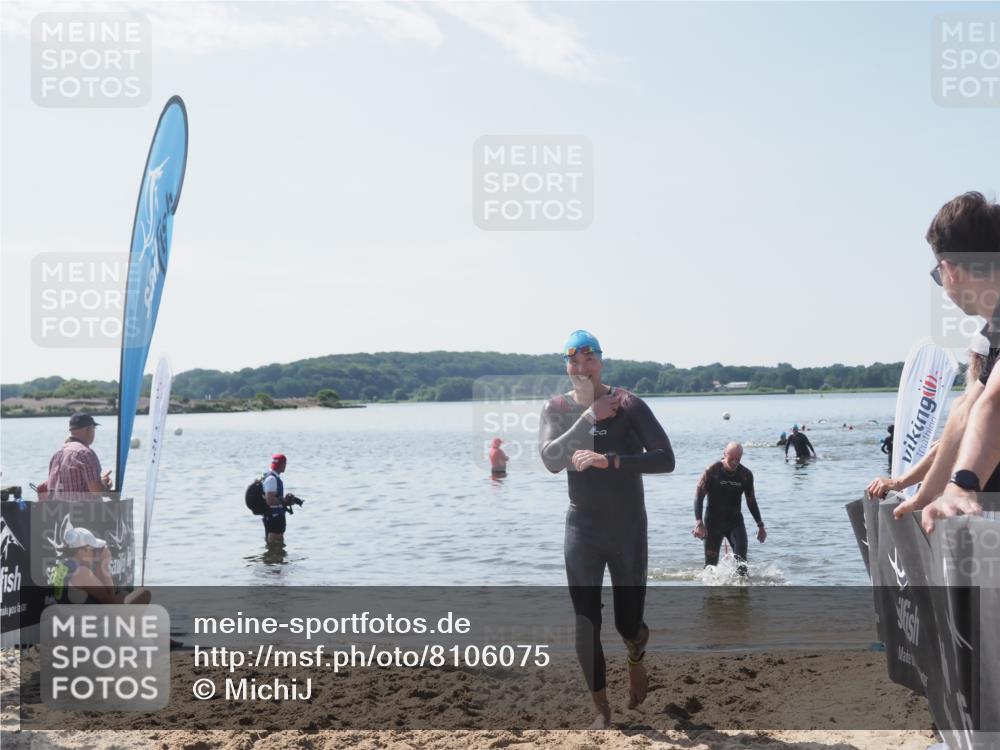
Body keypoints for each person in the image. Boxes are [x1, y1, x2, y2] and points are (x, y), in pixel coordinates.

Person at [539, 330, 675, 728]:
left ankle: (636, 652)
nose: (581, 368)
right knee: (586, 624)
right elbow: (550, 459)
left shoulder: (628, 404)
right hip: (582, 527)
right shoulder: (557, 408)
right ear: (566, 365)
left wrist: (610, 461)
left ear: (601, 361)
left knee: (626, 623)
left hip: (627, 526)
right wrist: (588, 417)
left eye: (588, 359)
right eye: (573, 361)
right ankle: (601, 710)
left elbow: (666, 459)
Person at [894, 192, 1000, 529]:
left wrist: (962, 485)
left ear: (950, 269)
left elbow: (994, 405)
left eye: (938, 276)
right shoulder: (994, 327)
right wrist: (928, 494)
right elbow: (965, 409)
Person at [692, 442, 765, 577]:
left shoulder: (745, 475)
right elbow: (698, 497)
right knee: (710, 568)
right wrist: (698, 522)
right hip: (713, 524)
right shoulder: (712, 471)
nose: (735, 462)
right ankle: (711, 596)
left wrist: (760, 525)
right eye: (732, 458)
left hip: (735, 522)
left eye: (738, 459)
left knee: (742, 567)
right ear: (724, 454)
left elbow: (751, 501)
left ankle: (740, 595)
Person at [51, 526, 150, 605]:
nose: (95, 553)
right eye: (93, 549)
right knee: (143, 595)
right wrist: (104, 565)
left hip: (67, 618)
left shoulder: (63, 566)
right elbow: (110, 601)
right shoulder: (81, 572)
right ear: (81, 552)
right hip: (82, 625)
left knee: (123, 595)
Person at [45, 413, 112, 502]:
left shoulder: (57, 454)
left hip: (59, 513)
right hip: (83, 513)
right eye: (94, 428)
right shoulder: (85, 453)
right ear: (88, 429)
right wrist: (105, 484)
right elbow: (97, 491)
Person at [261, 453, 302, 544]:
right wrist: (285, 502)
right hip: (273, 517)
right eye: (285, 464)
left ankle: (273, 556)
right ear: (282, 464)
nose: (285, 466)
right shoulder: (272, 478)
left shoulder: (271, 476)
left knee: (277, 548)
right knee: (276, 542)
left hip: (274, 516)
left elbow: (273, 498)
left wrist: (286, 501)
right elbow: (270, 500)